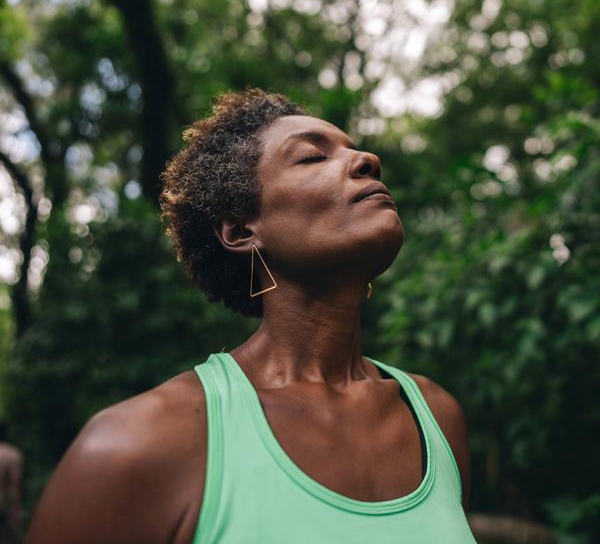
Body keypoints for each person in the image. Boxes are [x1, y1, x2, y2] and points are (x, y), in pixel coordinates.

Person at [24, 89, 475, 543]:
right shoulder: (139, 444)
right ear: (242, 231)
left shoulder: (435, 417)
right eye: (312, 157)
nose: (367, 159)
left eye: (356, 149)